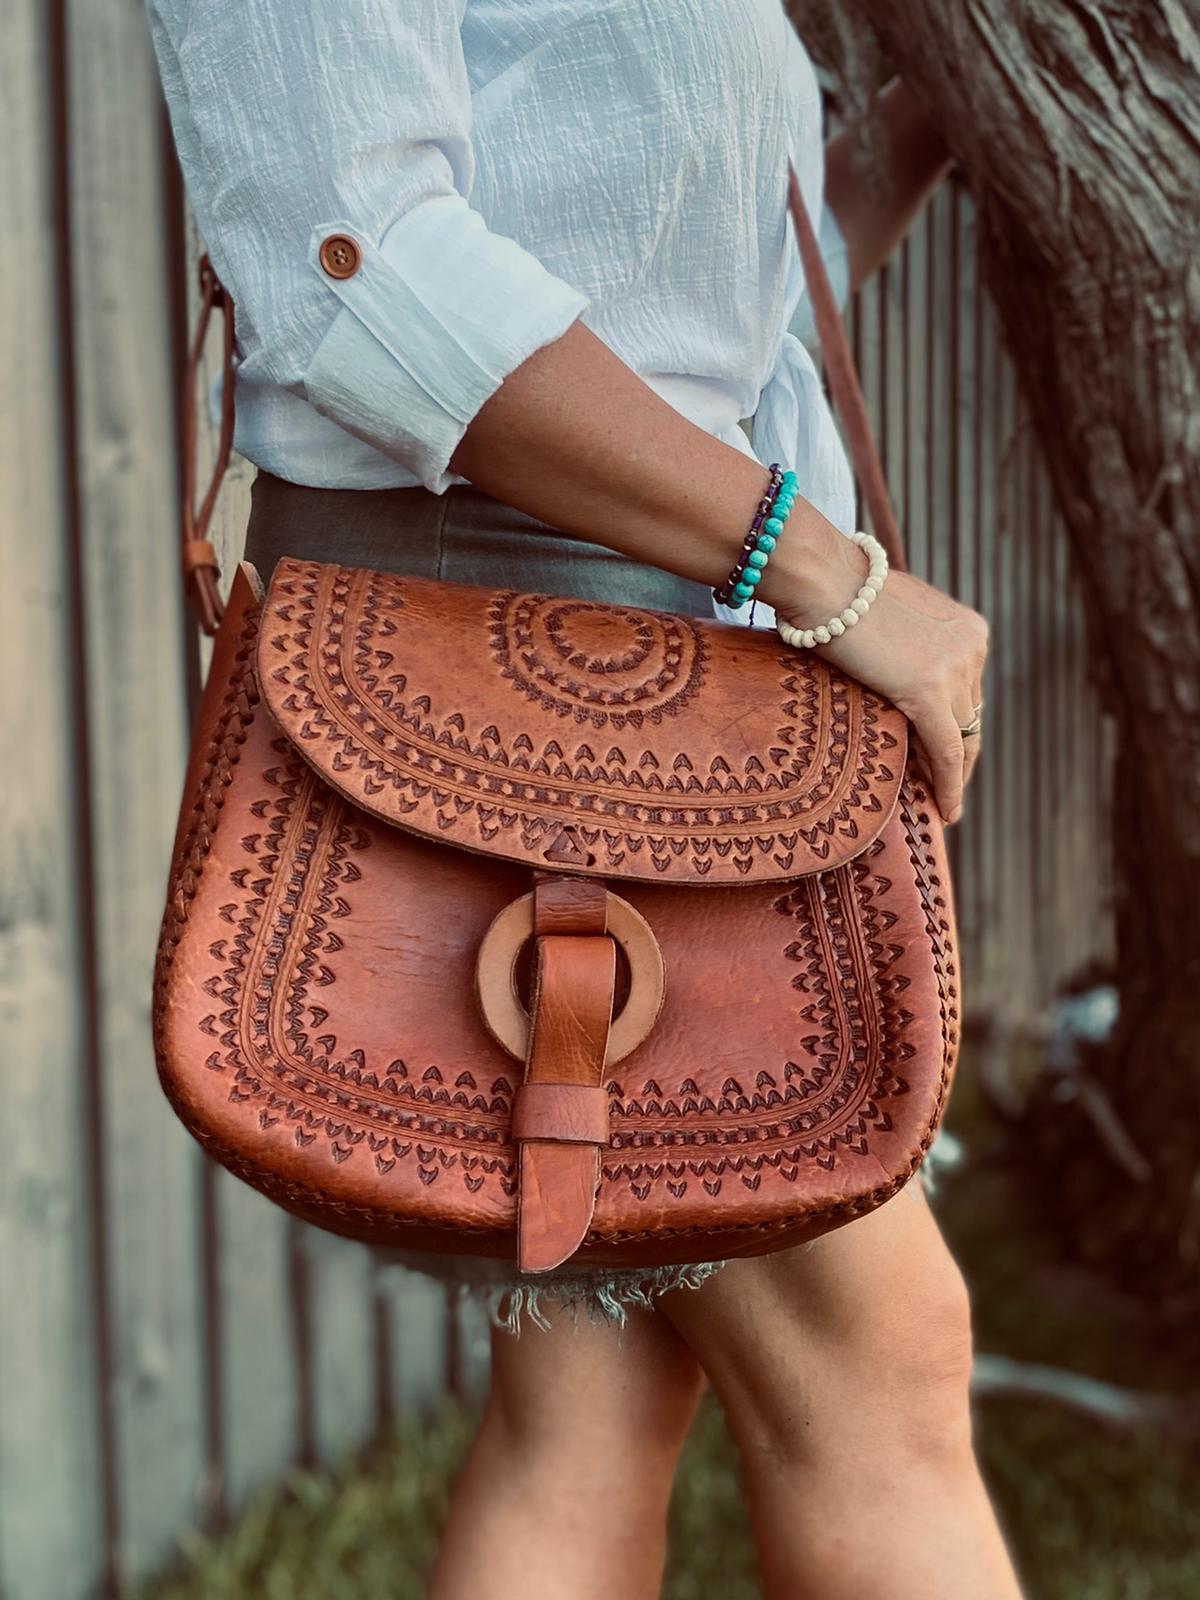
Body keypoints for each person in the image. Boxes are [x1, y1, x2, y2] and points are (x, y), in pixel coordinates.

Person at [147, 2, 1019, 1595]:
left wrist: (922, 130)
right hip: (491, 669)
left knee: (600, 1392)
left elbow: (662, 299)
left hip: (682, 663)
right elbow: (364, 259)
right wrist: (829, 578)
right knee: (881, 1366)